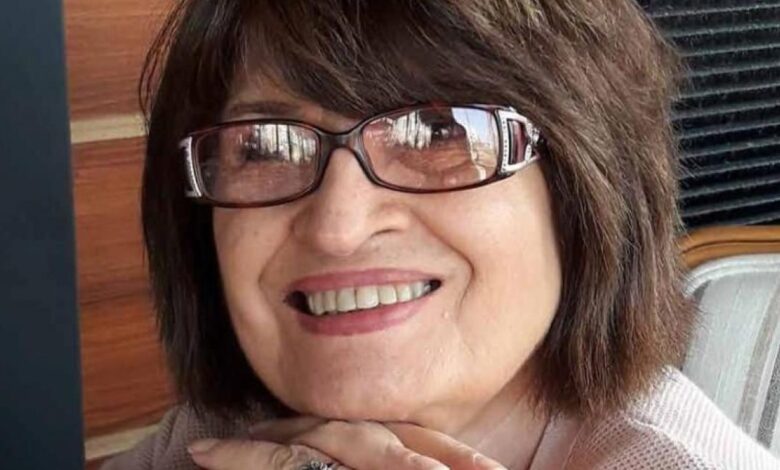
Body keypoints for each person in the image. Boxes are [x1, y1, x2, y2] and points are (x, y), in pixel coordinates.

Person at [102, 0, 779, 468]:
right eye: (264, 146)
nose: (339, 227)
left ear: (585, 187)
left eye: (439, 133)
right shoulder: (213, 434)